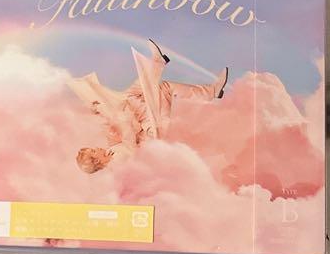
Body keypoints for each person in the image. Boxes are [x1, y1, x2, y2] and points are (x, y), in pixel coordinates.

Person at [68, 38, 228, 173]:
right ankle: (212, 91)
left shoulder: (109, 153)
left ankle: (158, 63)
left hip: (141, 124)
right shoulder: (117, 161)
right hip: (152, 129)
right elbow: (129, 140)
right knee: (162, 89)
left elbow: (113, 136)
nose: (96, 148)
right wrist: (120, 118)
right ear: (96, 161)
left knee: (132, 95)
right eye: (94, 151)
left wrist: (99, 113)